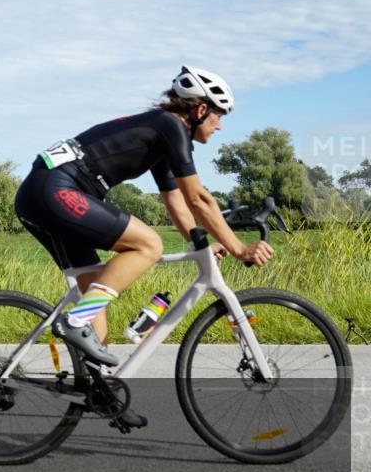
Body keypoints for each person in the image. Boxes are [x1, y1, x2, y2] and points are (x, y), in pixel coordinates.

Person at [14, 66, 274, 428]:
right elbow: (199, 198)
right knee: (147, 245)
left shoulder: (164, 136)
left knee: (95, 305)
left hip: (42, 193)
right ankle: (73, 321)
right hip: (57, 189)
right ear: (199, 109)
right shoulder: (171, 126)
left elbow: (176, 200)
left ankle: (99, 394)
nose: (220, 125)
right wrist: (239, 247)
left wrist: (200, 243)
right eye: (218, 115)